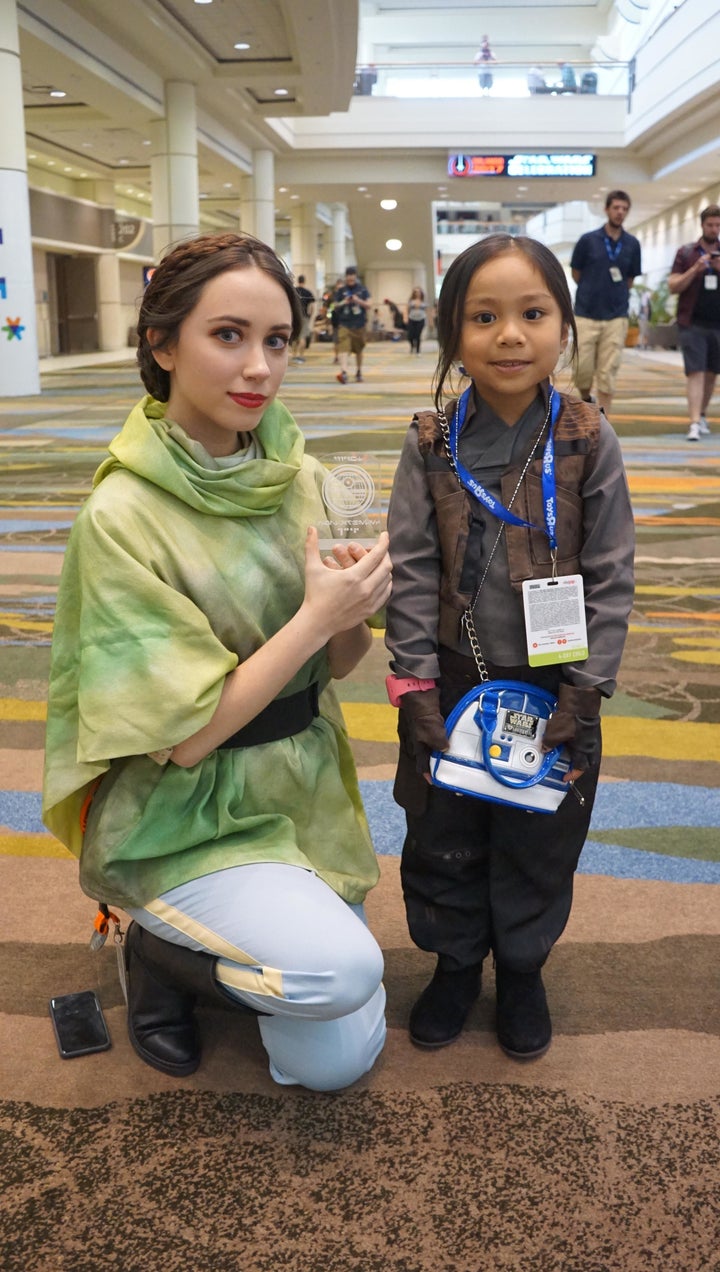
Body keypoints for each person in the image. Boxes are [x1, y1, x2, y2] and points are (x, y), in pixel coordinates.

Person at [42, 232, 393, 1093]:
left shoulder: (296, 475)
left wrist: (352, 612)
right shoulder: (123, 514)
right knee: (340, 975)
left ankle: (258, 950)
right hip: (182, 810)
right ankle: (159, 954)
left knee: (332, 1060)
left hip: (297, 789)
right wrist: (315, 618)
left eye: (277, 341)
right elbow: (186, 738)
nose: (259, 368)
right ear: (162, 344)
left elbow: (335, 665)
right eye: (228, 335)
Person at [384, 234, 634, 1060]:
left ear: (564, 324)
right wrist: (414, 685)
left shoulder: (590, 439)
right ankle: (457, 965)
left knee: (541, 837)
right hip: (454, 680)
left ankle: (522, 969)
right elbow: (412, 569)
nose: (510, 335)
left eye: (533, 313)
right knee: (443, 830)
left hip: (558, 690)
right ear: (453, 332)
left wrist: (587, 687)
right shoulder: (428, 442)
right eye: (483, 317)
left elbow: (610, 571)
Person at [570, 189, 642, 414]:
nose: (620, 212)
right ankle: (584, 398)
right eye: (616, 208)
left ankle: (603, 425)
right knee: (582, 370)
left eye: (624, 209)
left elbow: (629, 279)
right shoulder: (588, 240)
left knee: (607, 373)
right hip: (585, 313)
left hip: (616, 316)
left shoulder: (632, 244)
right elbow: (576, 273)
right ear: (607, 209)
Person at [668, 204, 720, 440]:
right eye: (710, 224)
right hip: (692, 323)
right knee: (695, 372)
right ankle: (694, 423)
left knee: (711, 374)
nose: (714, 229)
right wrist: (695, 270)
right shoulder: (687, 252)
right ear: (702, 225)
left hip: (717, 324)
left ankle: (702, 414)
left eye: (718, 225)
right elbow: (673, 286)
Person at [333, 266, 372, 383]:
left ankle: (359, 371)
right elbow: (335, 306)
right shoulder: (341, 291)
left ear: (355, 276)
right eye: (348, 275)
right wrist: (344, 302)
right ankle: (344, 372)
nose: (350, 277)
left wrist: (357, 300)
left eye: (352, 274)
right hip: (344, 324)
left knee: (359, 349)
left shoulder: (362, 290)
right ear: (346, 277)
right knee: (343, 347)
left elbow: (369, 305)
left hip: (359, 324)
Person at [291, 274, 315, 362]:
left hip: (294, 317)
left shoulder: (294, 291)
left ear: (298, 281)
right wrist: (310, 316)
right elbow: (312, 306)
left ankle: (294, 355)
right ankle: (301, 355)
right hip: (304, 317)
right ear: (304, 281)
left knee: (294, 336)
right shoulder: (308, 292)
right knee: (303, 337)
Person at [405, 287, 427, 354]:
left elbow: (427, 311)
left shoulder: (424, 301)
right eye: (416, 292)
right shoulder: (410, 301)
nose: (417, 293)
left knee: (418, 335)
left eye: (419, 292)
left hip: (421, 319)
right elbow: (406, 310)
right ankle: (412, 346)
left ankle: (418, 350)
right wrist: (405, 318)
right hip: (412, 319)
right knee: (410, 336)